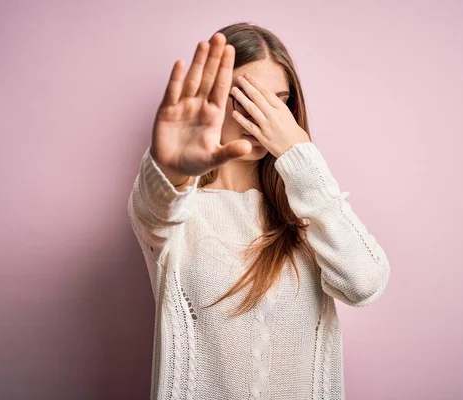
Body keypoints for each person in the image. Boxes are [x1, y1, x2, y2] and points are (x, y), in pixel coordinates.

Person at [127, 22, 391, 400]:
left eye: (276, 102)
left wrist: (299, 154)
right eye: (243, 97)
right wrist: (171, 170)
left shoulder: (308, 208)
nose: (259, 117)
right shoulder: (178, 209)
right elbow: (157, 208)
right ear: (211, 98)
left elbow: (364, 284)